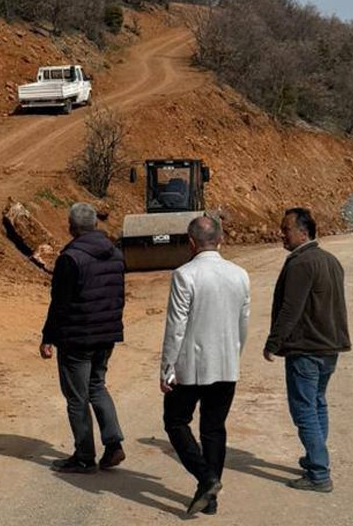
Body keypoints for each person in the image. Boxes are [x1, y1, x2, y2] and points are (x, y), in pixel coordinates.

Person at [160, 216, 251, 516]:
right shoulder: (240, 275)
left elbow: (176, 326)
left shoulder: (185, 275)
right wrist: (233, 354)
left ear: (190, 242)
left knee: (175, 421)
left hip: (192, 367)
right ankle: (210, 499)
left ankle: (206, 478)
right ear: (221, 239)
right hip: (226, 365)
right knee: (214, 429)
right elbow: (243, 324)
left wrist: (166, 368)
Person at [263, 207, 351, 493]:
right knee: (318, 404)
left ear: (304, 232)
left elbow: (291, 309)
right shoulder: (330, 260)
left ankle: (318, 474)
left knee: (304, 410)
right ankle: (316, 458)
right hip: (329, 348)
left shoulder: (301, 263)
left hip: (307, 349)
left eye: (286, 229)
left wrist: (273, 342)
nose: (282, 234)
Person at [39, 202, 127, 475]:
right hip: (106, 334)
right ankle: (113, 445)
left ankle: (84, 456)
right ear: (95, 225)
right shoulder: (115, 253)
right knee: (97, 387)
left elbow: (60, 303)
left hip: (77, 337)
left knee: (77, 397)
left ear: (71, 227)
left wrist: (48, 337)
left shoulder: (71, 257)